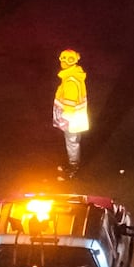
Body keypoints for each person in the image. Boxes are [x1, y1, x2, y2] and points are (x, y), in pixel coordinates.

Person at [52, 49, 89, 178]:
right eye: (62, 58)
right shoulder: (73, 76)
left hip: (72, 119)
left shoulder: (70, 81)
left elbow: (70, 103)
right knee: (73, 140)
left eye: (67, 59)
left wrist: (64, 118)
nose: (63, 62)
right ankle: (73, 163)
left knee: (72, 141)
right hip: (76, 117)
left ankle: (73, 166)